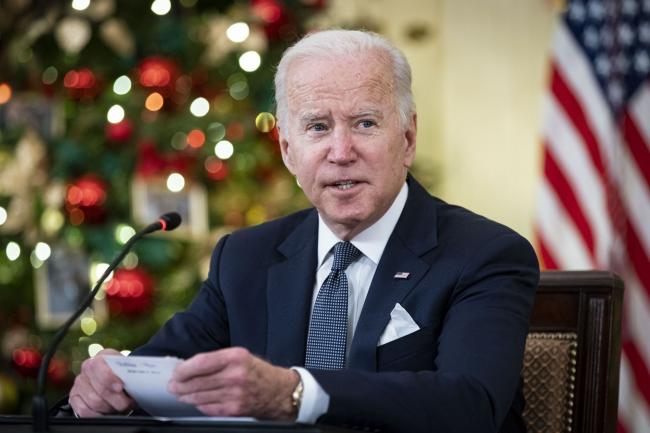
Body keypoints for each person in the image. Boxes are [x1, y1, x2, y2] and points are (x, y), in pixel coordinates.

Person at [67, 29, 539, 433]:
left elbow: (470, 404)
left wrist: (296, 392)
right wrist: (114, 384)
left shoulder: (486, 254)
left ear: (408, 138)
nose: (340, 150)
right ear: (289, 150)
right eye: (317, 127)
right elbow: (163, 375)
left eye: (365, 123)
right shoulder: (245, 257)